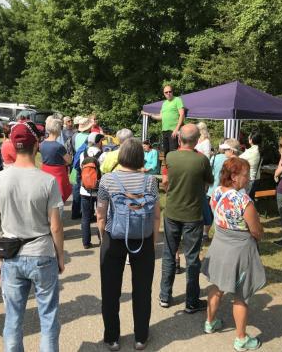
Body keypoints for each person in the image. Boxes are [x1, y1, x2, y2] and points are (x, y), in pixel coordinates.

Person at [0, 121, 65, 351]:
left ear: (13, 145)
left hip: (10, 255)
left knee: (13, 318)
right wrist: (59, 256)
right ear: (36, 145)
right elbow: (56, 227)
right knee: (48, 317)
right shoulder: (47, 181)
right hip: (41, 253)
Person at [96, 138, 161, 351]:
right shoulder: (150, 181)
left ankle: (112, 338)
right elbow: (156, 216)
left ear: (121, 155)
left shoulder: (107, 180)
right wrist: (153, 240)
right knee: (142, 290)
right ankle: (141, 337)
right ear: (140, 157)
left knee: (110, 289)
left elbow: (101, 214)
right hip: (142, 237)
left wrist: (103, 236)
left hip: (114, 238)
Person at [202, 157, 265, 351]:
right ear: (234, 176)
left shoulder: (216, 193)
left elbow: (215, 216)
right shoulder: (243, 200)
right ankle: (241, 338)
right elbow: (256, 230)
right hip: (239, 250)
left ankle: (210, 323)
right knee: (241, 294)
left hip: (220, 244)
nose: (248, 178)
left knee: (217, 286)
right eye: (246, 175)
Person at [159, 123, 213, 313]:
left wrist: (171, 190)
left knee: (168, 254)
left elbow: (165, 182)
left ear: (179, 139)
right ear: (197, 140)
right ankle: (191, 302)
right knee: (192, 258)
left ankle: (165, 296)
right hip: (193, 214)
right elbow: (209, 182)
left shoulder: (171, 157)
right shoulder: (202, 160)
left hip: (172, 212)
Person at [203, 138, 241, 242]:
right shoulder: (241, 162)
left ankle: (220, 237)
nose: (225, 152)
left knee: (219, 216)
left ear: (232, 151)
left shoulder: (229, 163)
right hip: (234, 194)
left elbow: (223, 180)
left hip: (224, 193)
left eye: (226, 150)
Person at [40, 116, 73, 217]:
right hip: (58, 173)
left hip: (45, 171)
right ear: (58, 129)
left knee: (47, 198)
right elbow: (69, 160)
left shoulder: (42, 144)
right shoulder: (58, 146)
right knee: (58, 201)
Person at [142, 85, 185, 156]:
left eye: (170, 91)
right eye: (166, 92)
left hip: (173, 131)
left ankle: (173, 167)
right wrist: (149, 114)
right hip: (164, 131)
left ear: (172, 92)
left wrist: (176, 129)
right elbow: (160, 117)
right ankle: (167, 167)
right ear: (164, 94)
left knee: (173, 152)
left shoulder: (177, 100)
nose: (168, 93)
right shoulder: (164, 103)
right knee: (166, 152)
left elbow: (182, 115)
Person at [80, 132, 105, 249]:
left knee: (85, 217)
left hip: (84, 190)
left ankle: (86, 242)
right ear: (98, 142)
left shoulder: (83, 154)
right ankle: (102, 239)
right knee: (101, 215)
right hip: (99, 190)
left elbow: (80, 168)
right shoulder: (102, 155)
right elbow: (104, 171)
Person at [70, 117, 92, 220]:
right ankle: (86, 213)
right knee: (86, 187)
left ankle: (75, 212)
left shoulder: (75, 136)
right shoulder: (90, 137)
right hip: (86, 164)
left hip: (76, 163)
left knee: (76, 188)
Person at [239, 131, 262, 201]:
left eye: (249, 136)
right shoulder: (259, 149)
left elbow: (238, 158)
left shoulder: (251, 151)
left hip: (250, 179)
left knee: (246, 200)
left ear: (251, 139)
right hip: (257, 178)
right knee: (250, 198)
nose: (248, 137)